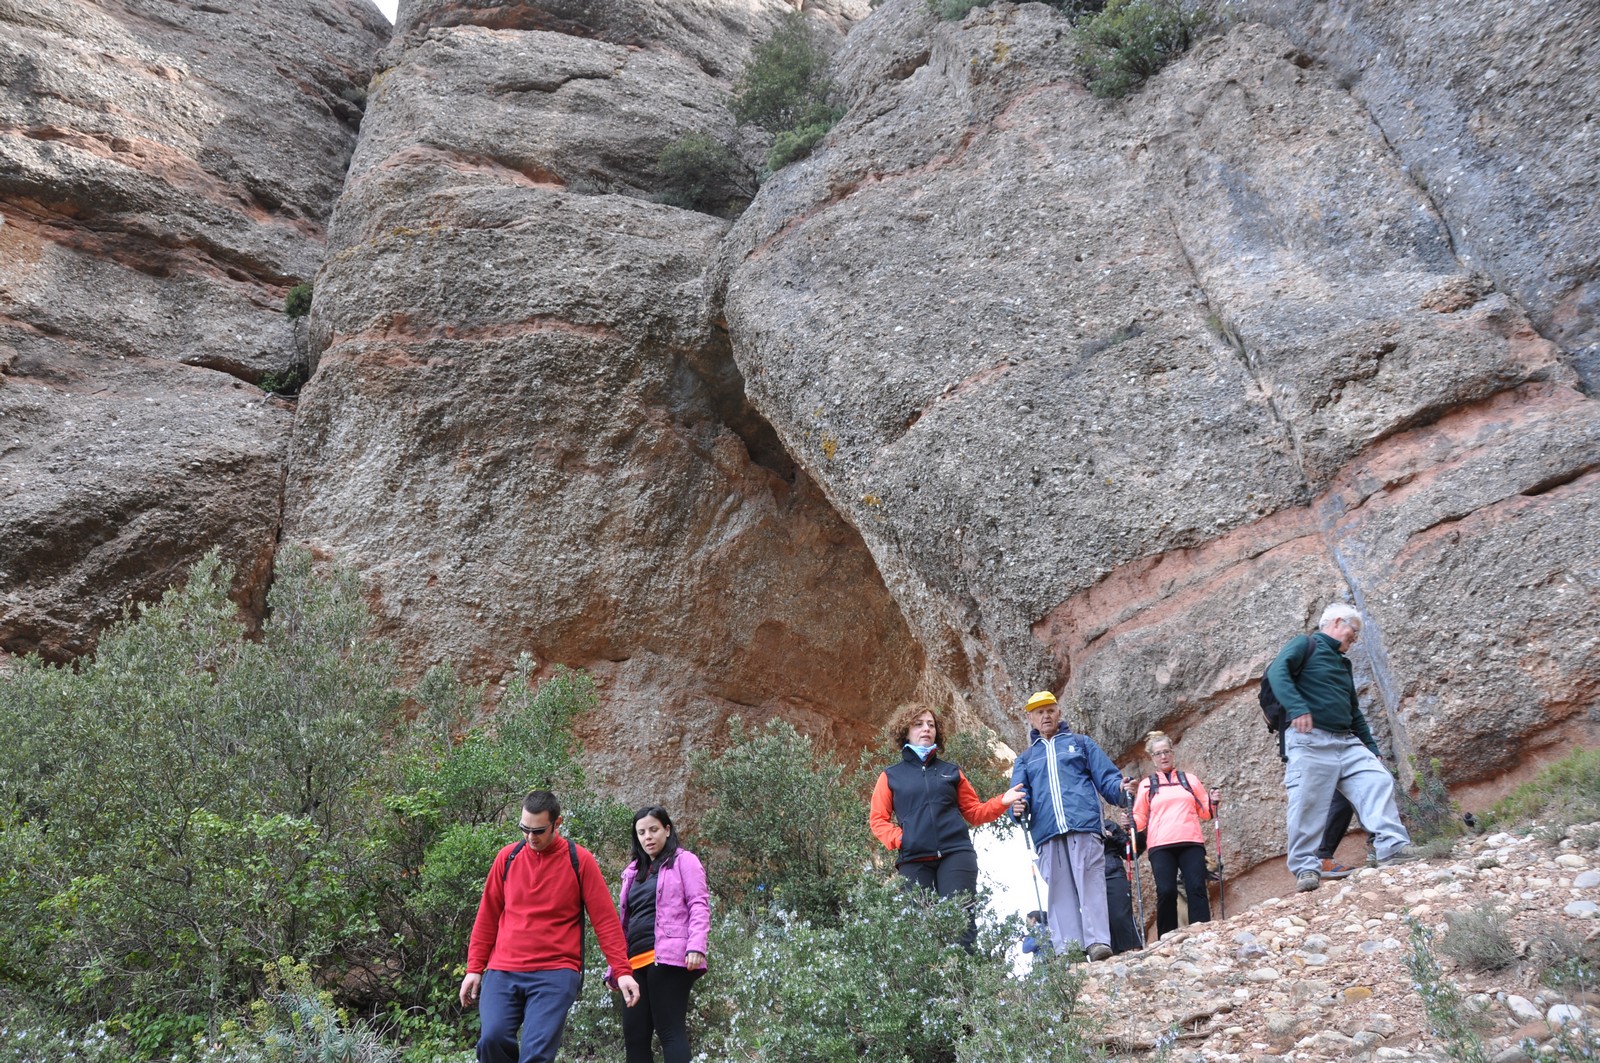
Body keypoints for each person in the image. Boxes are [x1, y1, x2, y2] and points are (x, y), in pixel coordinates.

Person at [460, 791, 639, 1063]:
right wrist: (474, 968)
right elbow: (487, 917)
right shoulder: (507, 858)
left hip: (555, 972)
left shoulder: (579, 860)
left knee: (536, 1054)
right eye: (524, 829)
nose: (530, 837)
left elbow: (605, 920)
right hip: (503, 970)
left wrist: (622, 971)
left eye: (538, 831)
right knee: (492, 1039)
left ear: (558, 823)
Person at [1268, 603, 1416, 893]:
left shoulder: (1343, 663)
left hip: (1347, 741)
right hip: (1309, 739)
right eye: (1354, 631)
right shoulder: (1304, 644)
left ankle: (1392, 848)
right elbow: (1277, 672)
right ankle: (1306, 867)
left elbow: (1353, 709)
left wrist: (1370, 746)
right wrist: (1297, 708)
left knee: (1377, 779)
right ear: (1337, 622)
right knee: (1307, 802)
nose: (1355, 638)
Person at [870, 703, 1026, 948]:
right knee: (920, 929)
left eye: (931, 725)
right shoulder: (891, 776)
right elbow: (878, 820)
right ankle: (930, 976)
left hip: (956, 854)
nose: (926, 729)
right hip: (914, 859)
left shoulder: (951, 772)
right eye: (918, 724)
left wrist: (1002, 801)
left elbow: (974, 813)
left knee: (960, 924)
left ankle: (964, 973)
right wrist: (903, 839)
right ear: (905, 732)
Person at [1008, 690, 1131, 961]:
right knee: (1059, 892)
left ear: (1059, 713)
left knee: (1091, 884)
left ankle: (1097, 942)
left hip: (1084, 826)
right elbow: (1017, 794)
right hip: (1047, 833)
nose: (1046, 716)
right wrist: (1016, 809)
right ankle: (1070, 950)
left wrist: (1121, 789)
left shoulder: (1081, 744)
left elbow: (1108, 779)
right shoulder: (1026, 759)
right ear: (1030, 718)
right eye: (1039, 712)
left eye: (1050, 710)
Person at [606, 806, 710, 1063]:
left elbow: (698, 904)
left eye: (653, 830)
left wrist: (696, 945)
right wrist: (615, 968)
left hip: (669, 958)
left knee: (670, 1032)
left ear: (667, 829)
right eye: (641, 832)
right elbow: (623, 923)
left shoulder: (684, 861)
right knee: (635, 1037)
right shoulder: (632, 872)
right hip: (634, 963)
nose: (648, 837)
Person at [1130, 730, 1216, 939]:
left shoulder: (1190, 780)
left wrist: (1213, 802)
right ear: (1152, 758)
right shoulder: (1147, 785)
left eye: (1166, 751)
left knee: (1196, 887)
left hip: (1191, 841)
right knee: (1166, 891)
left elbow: (1206, 813)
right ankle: (1166, 937)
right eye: (1158, 753)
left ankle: (1202, 932)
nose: (1163, 756)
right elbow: (1140, 817)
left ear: (1172, 753)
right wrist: (1129, 822)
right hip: (1161, 845)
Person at [1099, 823, 1142, 954]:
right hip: (1089, 877)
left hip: (1113, 873)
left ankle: (1133, 949)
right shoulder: (1077, 829)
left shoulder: (1109, 825)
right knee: (1102, 919)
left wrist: (1114, 837)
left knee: (1121, 914)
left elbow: (1130, 851)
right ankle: (1111, 954)